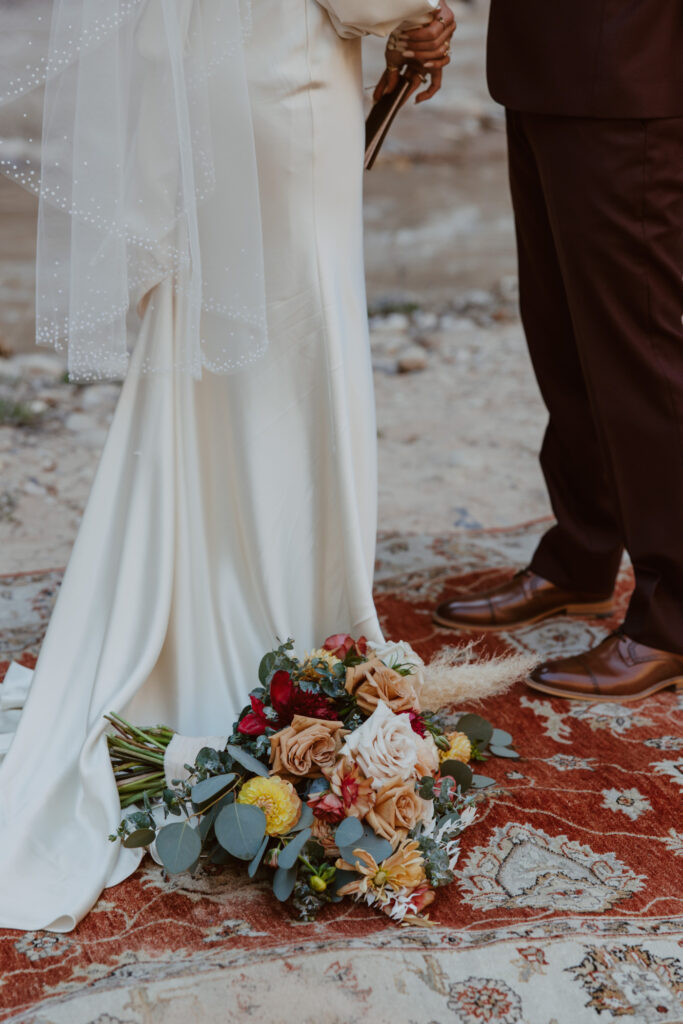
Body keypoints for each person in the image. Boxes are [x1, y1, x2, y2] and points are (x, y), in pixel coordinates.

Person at [0, 0, 455, 931]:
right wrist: (419, 13)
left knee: (227, 371)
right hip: (286, 97)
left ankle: (205, 607)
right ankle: (294, 630)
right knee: (297, 359)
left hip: (225, 88)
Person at [433, 0, 683, 703]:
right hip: (544, 58)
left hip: (633, 60)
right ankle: (579, 554)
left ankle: (671, 618)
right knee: (562, 334)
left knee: (638, 349)